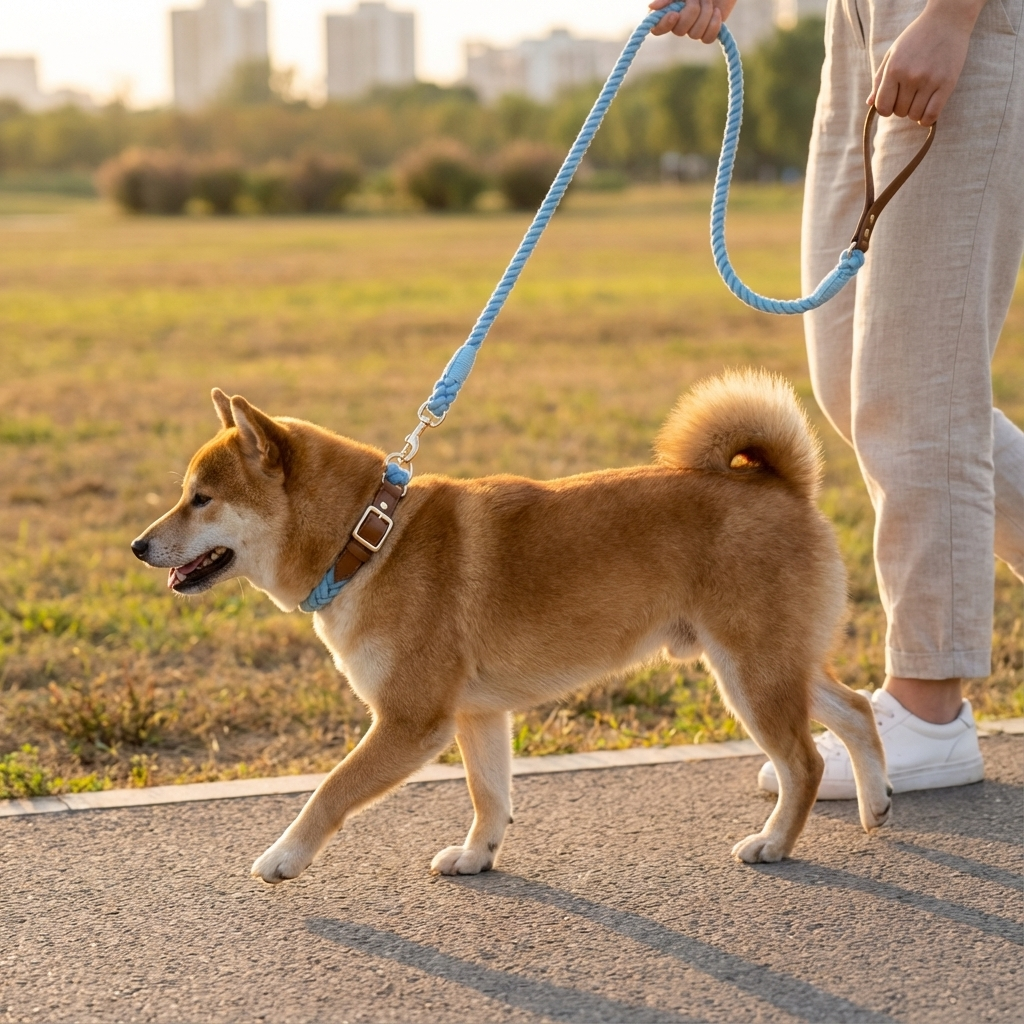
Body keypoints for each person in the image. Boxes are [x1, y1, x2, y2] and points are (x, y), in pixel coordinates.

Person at [650, 0, 1024, 796]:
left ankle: (930, 710)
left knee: (918, 390)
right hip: (855, 23)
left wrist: (953, 16)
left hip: (954, 16)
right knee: (854, 387)